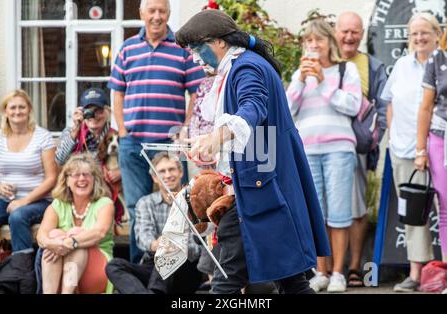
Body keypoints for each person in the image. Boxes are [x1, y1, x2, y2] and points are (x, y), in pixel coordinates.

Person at [175, 9, 330, 294]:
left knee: (228, 279)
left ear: (219, 42)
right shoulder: (242, 65)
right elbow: (252, 136)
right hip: (262, 184)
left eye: (197, 48)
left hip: (258, 191)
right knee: (292, 282)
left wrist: (217, 136)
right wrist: (210, 142)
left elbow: (252, 108)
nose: (194, 57)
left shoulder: (246, 67)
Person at [107, 0, 205, 263]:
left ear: (169, 14)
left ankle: (178, 265)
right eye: (152, 11)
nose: (157, 16)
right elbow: (117, 91)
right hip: (133, 142)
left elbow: (197, 92)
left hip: (169, 142)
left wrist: (184, 128)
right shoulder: (128, 49)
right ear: (142, 14)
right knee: (137, 206)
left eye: (162, 11)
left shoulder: (182, 49)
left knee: (178, 204)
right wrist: (123, 130)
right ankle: (143, 266)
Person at [286, 18, 362, 293]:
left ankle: (339, 273)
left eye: (318, 39)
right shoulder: (300, 74)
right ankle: (320, 271)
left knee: (339, 214)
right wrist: (303, 80)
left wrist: (323, 82)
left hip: (339, 150)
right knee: (315, 214)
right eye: (308, 40)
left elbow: (353, 106)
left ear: (330, 42)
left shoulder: (346, 69)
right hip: (308, 151)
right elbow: (287, 109)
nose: (313, 45)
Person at [381, 13, 441, 292]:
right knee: (414, 212)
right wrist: (393, 136)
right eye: (414, 33)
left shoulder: (442, 63)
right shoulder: (402, 65)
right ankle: (417, 274)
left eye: (424, 33)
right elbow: (390, 103)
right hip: (404, 148)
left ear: (437, 34)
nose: (419, 38)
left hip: (439, 148)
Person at [334, 11, 388, 287]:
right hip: (323, 145)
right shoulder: (323, 61)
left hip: (356, 148)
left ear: (363, 34)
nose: (350, 37)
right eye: (345, 31)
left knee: (356, 208)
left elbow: (383, 107)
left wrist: (373, 139)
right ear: (335, 32)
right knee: (324, 208)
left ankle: (354, 267)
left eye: (355, 32)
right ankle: (330, 269)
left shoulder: (372, 66)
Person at [105, 152, 202, 294]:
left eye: (172, 169)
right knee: (113, 266)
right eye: (162, 171)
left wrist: (174, 245)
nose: (168, 175)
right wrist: (156, 244)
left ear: (181, 172)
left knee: (169, 250)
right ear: (155, 177)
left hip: (185, 269)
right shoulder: (145, 203)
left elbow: (199, 247)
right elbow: (143, 237)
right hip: (152, 267)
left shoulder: (193, 202)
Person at [36, 153, 115, 294]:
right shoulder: (58, 204)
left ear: (94, 179)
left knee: (76, 235)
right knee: (54, 236)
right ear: (66, 180)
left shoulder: (105, 204)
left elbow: (99, 232)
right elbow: (41, 236)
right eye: (76, 175)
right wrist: (52, 244)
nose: (82, 179)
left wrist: (72, 242)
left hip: (96, 270)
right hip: (61, 271)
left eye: (86, 175)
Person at [0, 89, 57, 253]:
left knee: (18, 217)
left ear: (29, 110)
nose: (17, 111)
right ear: (5, 111)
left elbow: (52, 179)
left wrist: (24, 201)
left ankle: (22, 272)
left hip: (39, 201)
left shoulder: (43, 137)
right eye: (13, 107)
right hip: (5, 199)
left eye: (22, 107)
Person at [55, 87, 124, 226]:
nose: (93, 116)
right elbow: (60, 159)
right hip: (76, 191)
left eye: (98, 111)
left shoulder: (115, 136)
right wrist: (76, 129)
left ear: (106, 112)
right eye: (89, 111)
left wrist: (121, 172)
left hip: (105, 193)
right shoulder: (71, 132)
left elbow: (131, 162)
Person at [415, 14, 447, 275]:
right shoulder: (438, 58)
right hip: (440, 138)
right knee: (445, 208)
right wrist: (421, 149)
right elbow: (425, 108)